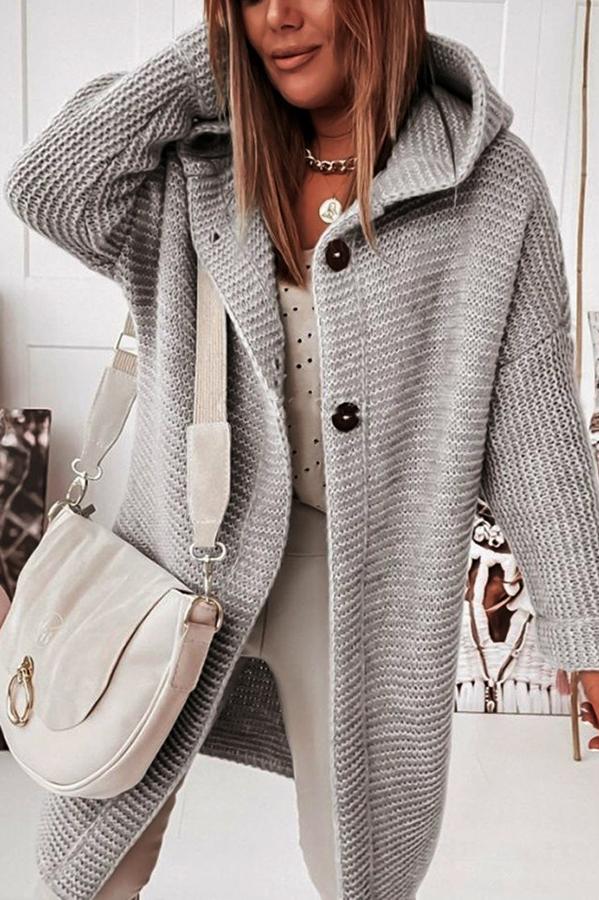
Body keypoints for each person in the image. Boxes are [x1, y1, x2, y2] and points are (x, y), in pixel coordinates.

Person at [5, 2, 599, 898]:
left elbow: (534, 426)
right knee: (92, 852)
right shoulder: (197, 164)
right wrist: (213, 64)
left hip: (359, 597)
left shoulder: (487, 184)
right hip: (177, 567)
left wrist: (584, 629)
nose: (277, 16)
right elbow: (48, 187)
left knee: (359, 866)